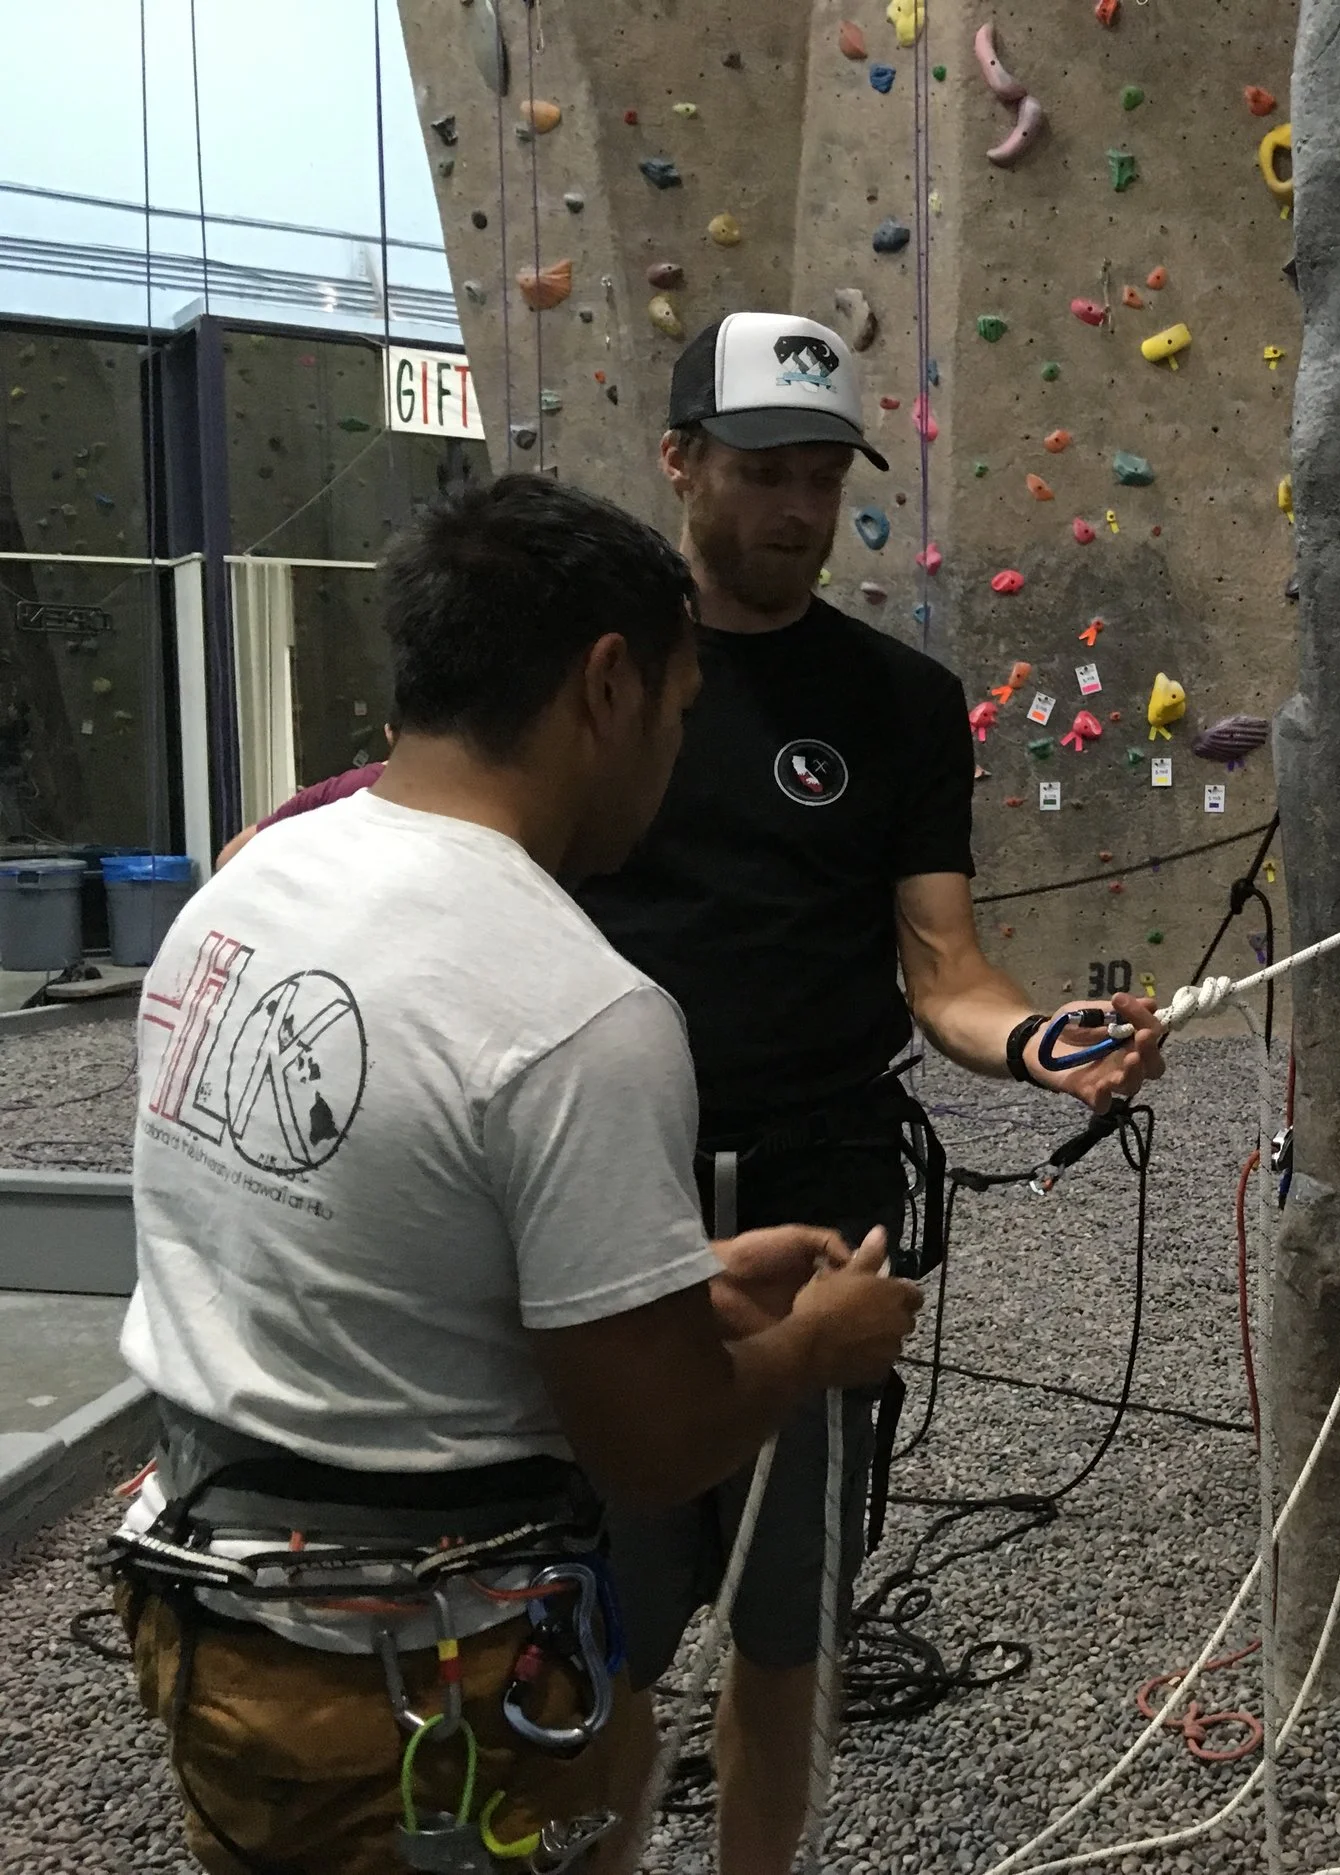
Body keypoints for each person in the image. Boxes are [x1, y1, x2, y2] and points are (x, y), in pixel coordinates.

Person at [111, 473, 923, 1875]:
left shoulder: (248, 890)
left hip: (212, 1629)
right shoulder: (577, 1009)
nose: (673, 756)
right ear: (608, 684)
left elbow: (354, 1233)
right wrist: (814, 1343)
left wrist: (675, 1276)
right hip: (414, 1685)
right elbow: (656, 1444)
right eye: (676, 714)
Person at [574, 310, 1166, 1875]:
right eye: (763, 468)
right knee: (603, 1629)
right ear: (680, 458)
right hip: (605, 1196)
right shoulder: (602, 675)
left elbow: (946, 968)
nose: (796, 509)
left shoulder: (898, 702)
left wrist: (1042, 1040)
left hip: (824, 1200)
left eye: (825, 475)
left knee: (785, 1624)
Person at [212, 730, 391, 869]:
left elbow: (228, 858)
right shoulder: (348, 789)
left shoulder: (344, 788)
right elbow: (229, 857)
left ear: (388, 732)